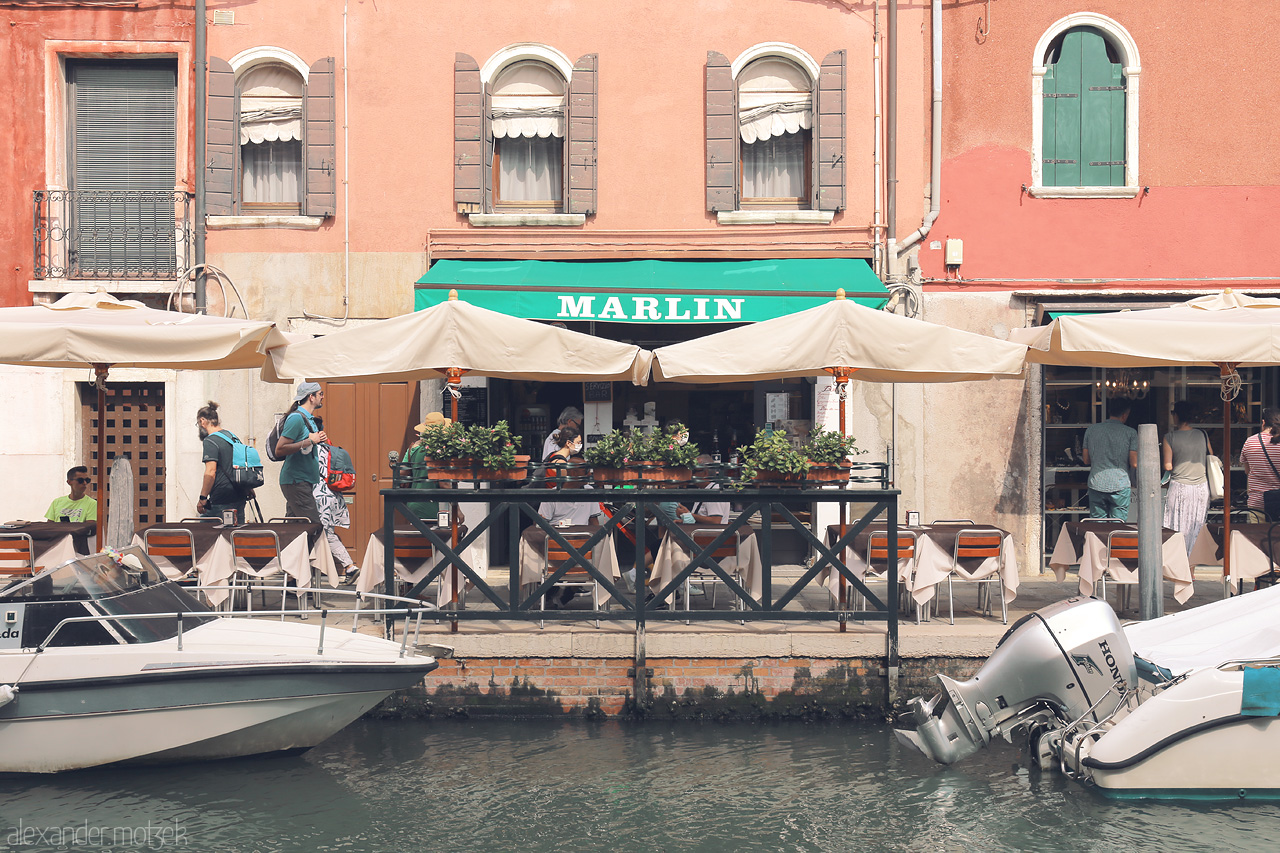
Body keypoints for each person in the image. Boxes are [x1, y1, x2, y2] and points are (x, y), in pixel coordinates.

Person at [310, 416, 357, 583]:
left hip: (318, 496)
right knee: (324, 532)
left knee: (324, 534)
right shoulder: (330, 448)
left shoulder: (310, 450)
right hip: (333, 495)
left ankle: (349, 567)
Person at [274, 381, 328, 524]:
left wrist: (316, 439)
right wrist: (311, 441)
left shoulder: (309, 419)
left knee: (295, 530)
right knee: (313, 526)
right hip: (296, 481)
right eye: (320, 394)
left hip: (303, 481)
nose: (323, 396)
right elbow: (280, 449)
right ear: (311, 397)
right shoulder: (296, 418)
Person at [1162, 401, 1210, 554]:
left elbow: (1168, 466)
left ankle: (1178, 566)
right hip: (1201, 487)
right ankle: (1192, 569)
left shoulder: (1170, 437)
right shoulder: (1203, 434)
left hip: (1179, 487)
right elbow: (1211, 456)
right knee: (1196, 528)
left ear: (1176, 415)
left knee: (1176, 527)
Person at [1081, 397, 1138, 520]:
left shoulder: (1091, 430)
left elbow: (1086, 460)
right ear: (1125, 414)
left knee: (1097, 524)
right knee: (1118, 524)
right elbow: (1134, 463)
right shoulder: (1131, 433)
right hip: (1120, 484)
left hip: (1097, 482)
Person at [195, 401, 249, 524]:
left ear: (202, 421)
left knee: (203, 535)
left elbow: (210, 471)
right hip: (239, 494)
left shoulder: (210, 441)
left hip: (221, 497)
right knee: (235, 534)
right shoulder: (232, 437)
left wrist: (203, 498)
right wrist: (248, 488)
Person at [1240, 408, 1280, 522]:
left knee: (1257, 538)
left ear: (1263, 423)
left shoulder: (1250, 442)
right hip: (1278, 503)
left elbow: (1247, 471)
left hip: (1257, 502)